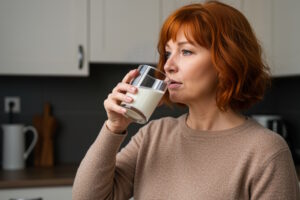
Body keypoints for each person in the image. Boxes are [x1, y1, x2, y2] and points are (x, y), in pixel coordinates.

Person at [72, 1, 300, 199]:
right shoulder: (152, 136)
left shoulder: (266, 151)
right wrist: (114, 127)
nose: (168, 65)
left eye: (186, 51)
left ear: (227, 62)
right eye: (168, 53)